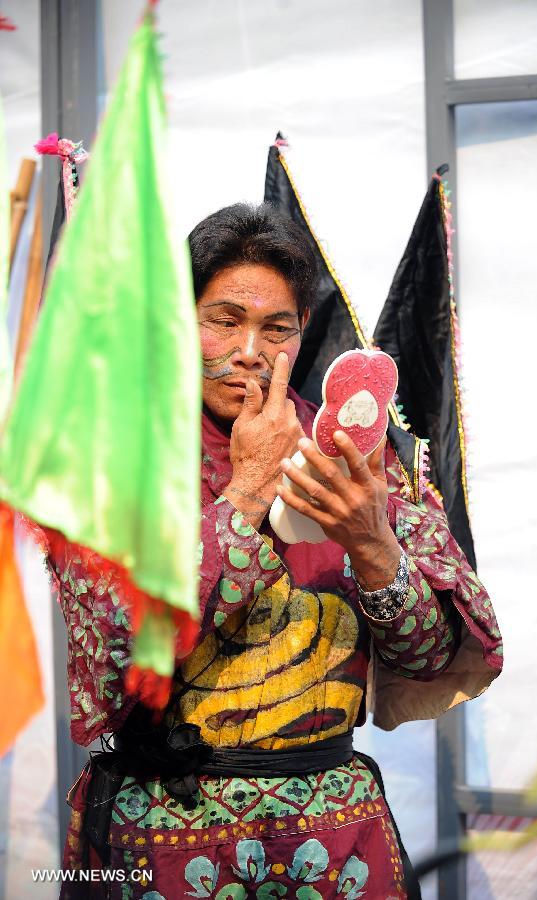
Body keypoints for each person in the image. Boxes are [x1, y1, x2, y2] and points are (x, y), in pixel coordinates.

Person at [55, 203, 502, 899]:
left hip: (337, 847)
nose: (250, 350)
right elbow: (118, 648)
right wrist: (249, 488)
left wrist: (373, 543)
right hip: (162, 846)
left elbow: (432, 656)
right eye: (223, 320)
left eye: (276, 328)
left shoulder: (352, 455)